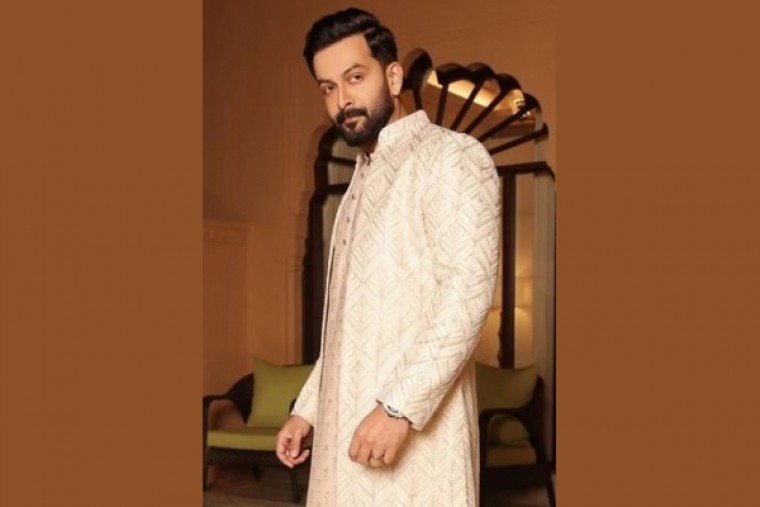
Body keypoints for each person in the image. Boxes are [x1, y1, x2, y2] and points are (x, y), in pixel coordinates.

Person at [276, 7, 501, 506]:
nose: (342, 99)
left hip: (414, 442)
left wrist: (399, 409)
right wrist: (307, 411)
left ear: (393, 76)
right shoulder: (361, 179)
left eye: (355, 77)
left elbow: (467, 295)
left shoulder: (451, 156)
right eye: (328, 87)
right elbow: (345, 327)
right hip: (342, 441)